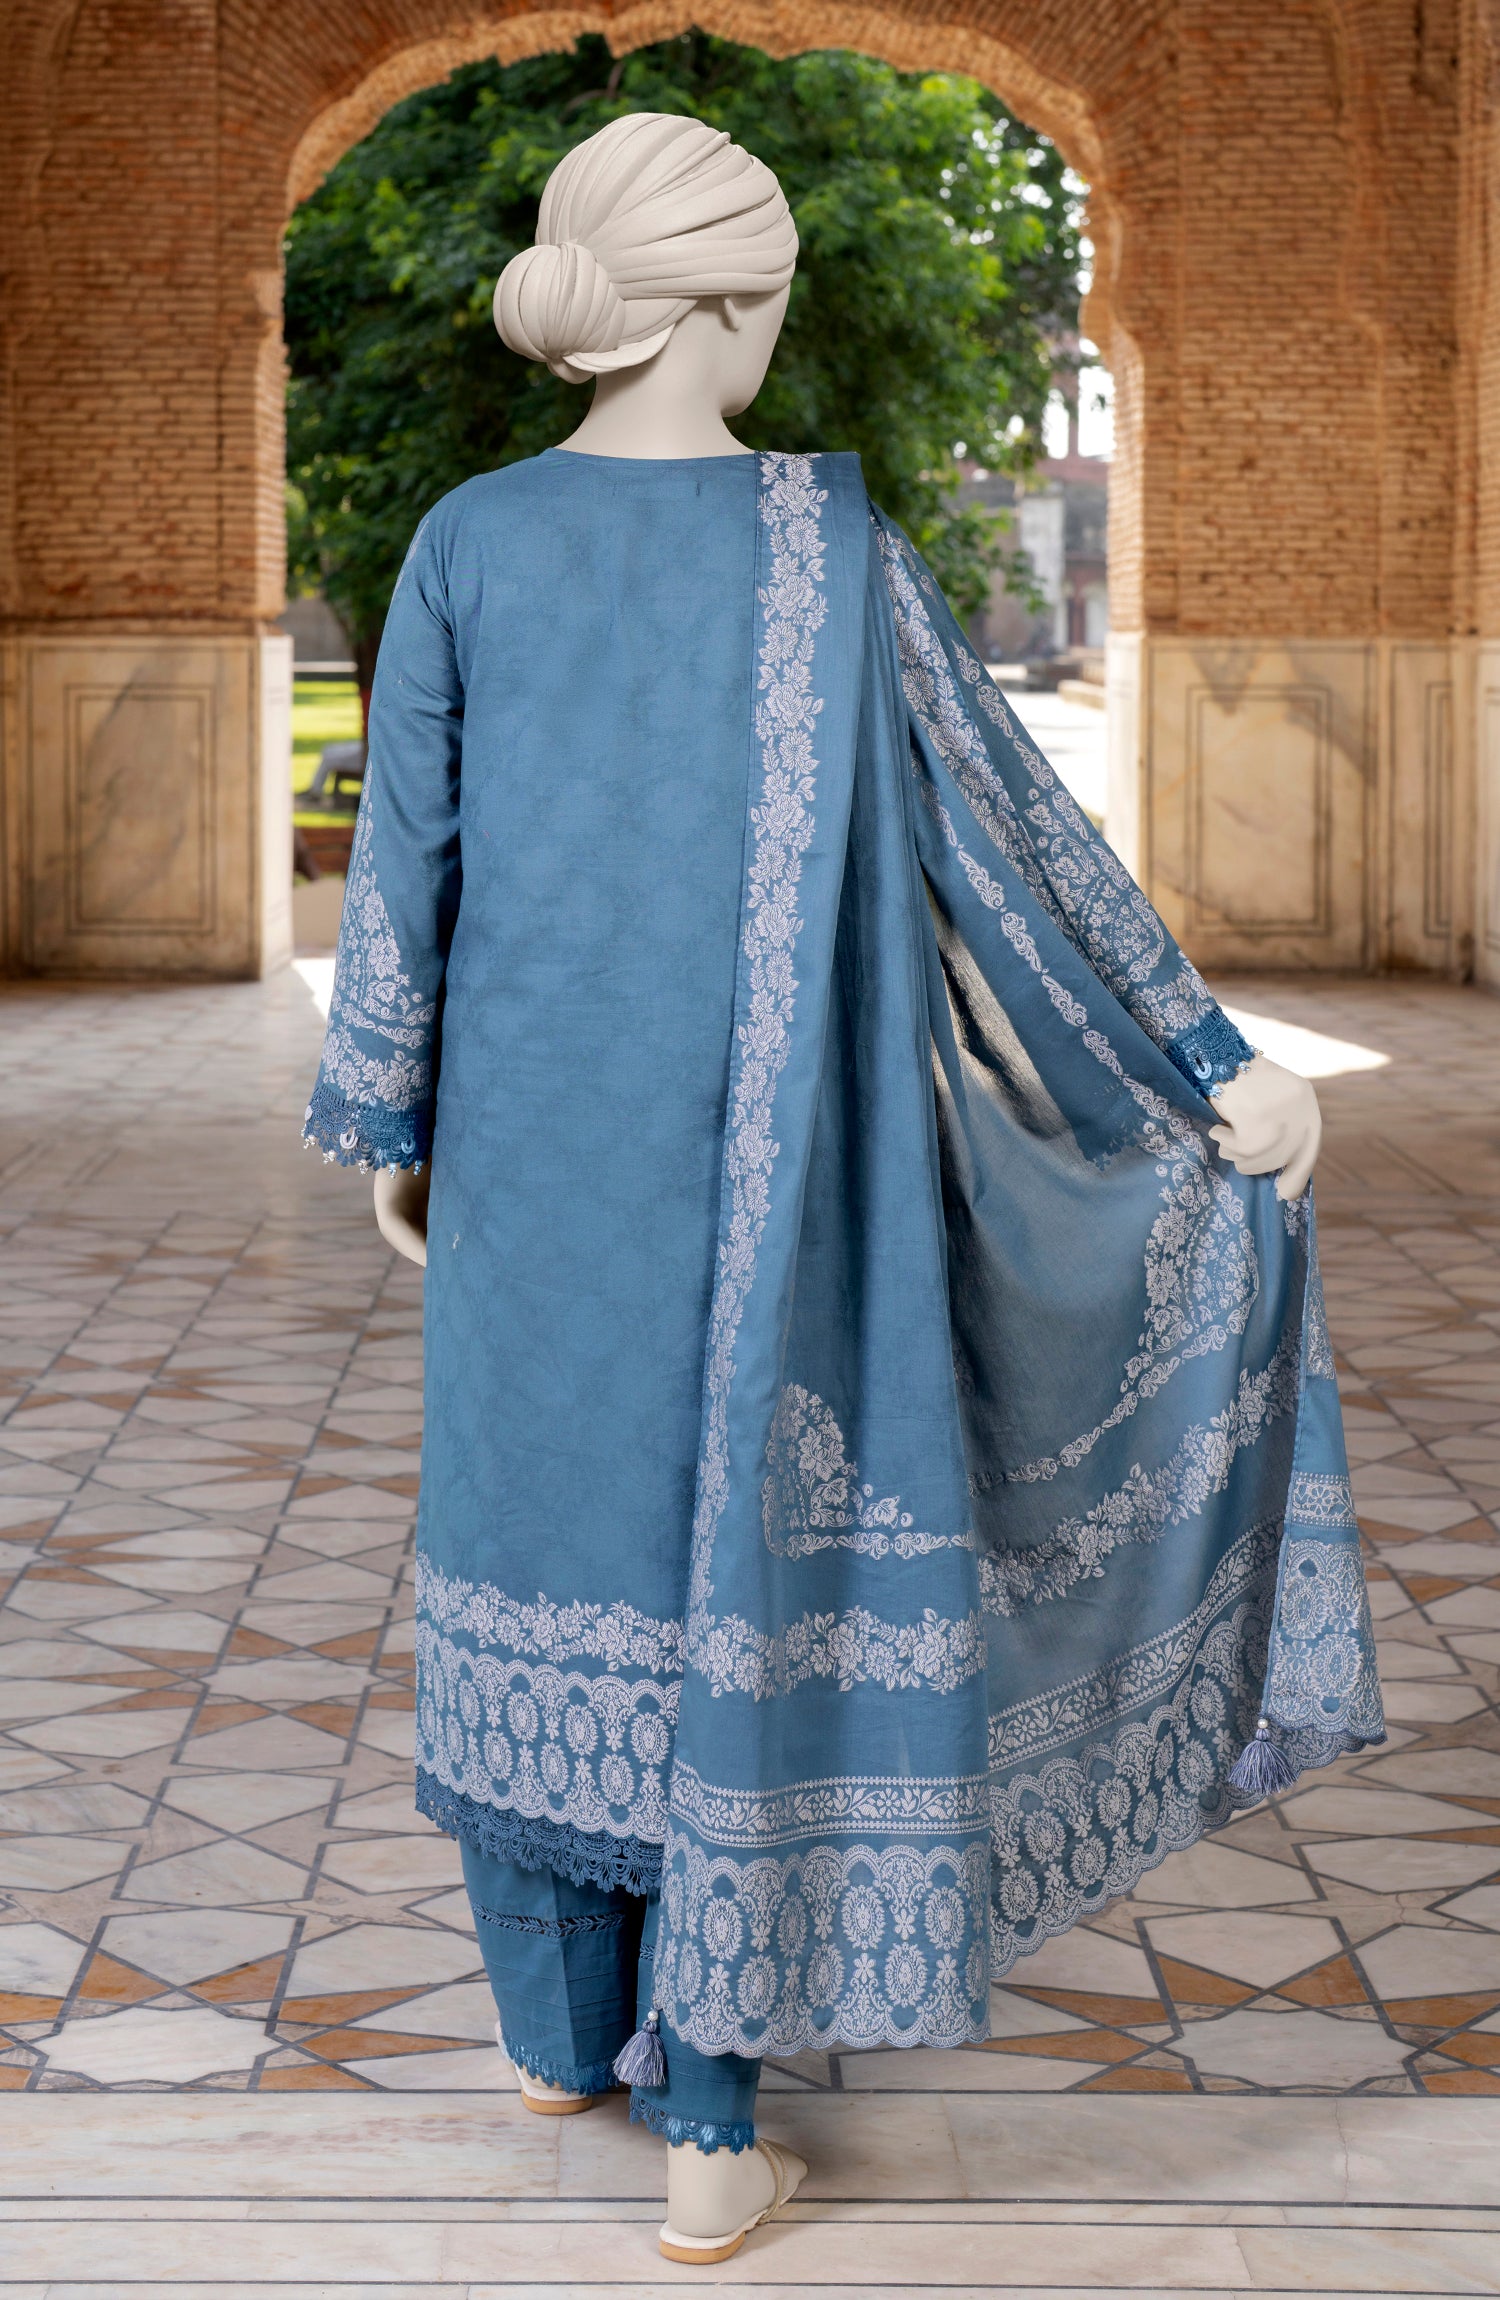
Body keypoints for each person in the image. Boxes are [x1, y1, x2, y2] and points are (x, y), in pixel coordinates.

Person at [303, 110, 1384, 2265]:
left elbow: (404, 879)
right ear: (729, 302)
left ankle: (559, 2039)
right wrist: (1209, 1064)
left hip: (528, 1165)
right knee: (731, 1580)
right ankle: (710, 2128)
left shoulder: (464, 541)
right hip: (777, 1179)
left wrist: (395, 1133)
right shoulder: (825, 546)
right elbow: (1013, 838)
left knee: (539, 1554)